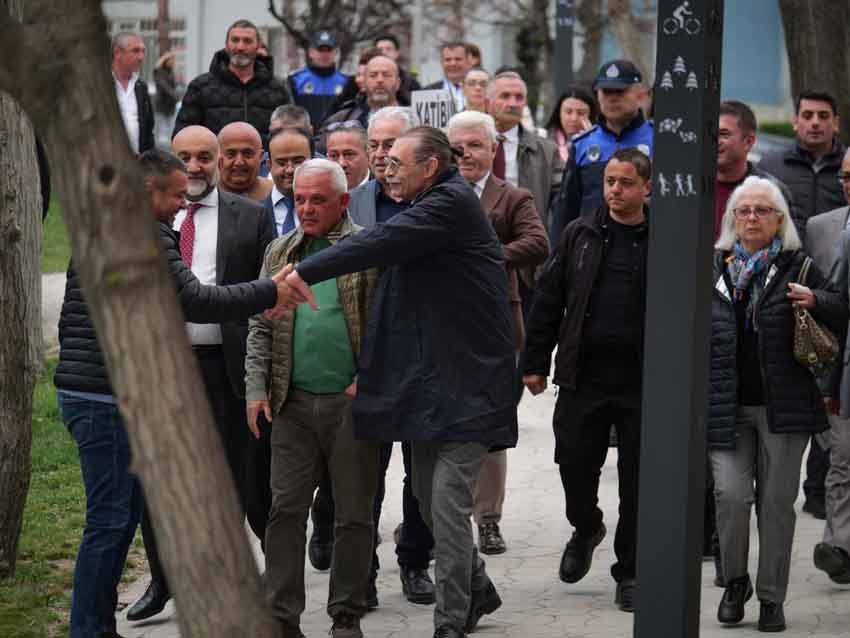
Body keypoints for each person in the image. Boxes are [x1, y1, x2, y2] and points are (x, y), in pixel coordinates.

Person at [281, 126, 516, 638]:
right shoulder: (426, 205)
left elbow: (378, 243)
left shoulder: (449, 203)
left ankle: (449, 622)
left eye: (397, 163)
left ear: (429, 167)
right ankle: (478, 587)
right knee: (430, 504)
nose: (386, 170)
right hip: (430, 386)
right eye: (384, 162)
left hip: (470, 386)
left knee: (447, 506)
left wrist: (305, 271)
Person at [59, 148, 291, 633]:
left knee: (120, 518)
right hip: (105, 399)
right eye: (176, 195)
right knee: (110, 521)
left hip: (103, 394)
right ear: (148, 190)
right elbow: (196, 300)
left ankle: (96, 626)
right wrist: (270, 290)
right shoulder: (139, 232)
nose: (183, 206)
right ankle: (88, 629)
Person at [245, 159, 380, 638]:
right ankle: (282, 617)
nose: (306, 208)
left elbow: (387, 322)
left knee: (354, 514)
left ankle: (346, 614)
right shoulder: (279, 250)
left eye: (318, 200)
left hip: (351, 406)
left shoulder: (368, 248)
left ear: (343, 202)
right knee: (285, 512)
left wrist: (369, 378)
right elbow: (260, 323)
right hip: (292, 402)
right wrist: (256, 388)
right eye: (299, 199)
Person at [313, 107, 438, 608]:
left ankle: (415, 562)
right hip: (365, 359)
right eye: (377, 145)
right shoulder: (355, 203)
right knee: (364, 473)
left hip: (422, 356)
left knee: (420, 470)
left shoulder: (432, 202)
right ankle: (361, 571)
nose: (384, 154)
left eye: (393, 144)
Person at [708, 176, 845, 632]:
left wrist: (816, 300)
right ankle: (735, 582)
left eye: (762, 210)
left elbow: (841, 308)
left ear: (780, 220)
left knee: (776, 504)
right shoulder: (714, 268)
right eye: (743, 210)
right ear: (732, 219)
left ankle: (771, 597)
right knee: (730, 496)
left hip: (783, 410)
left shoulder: (798, 266)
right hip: (726, 406)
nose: (751, 218)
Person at [522, 148, 652, 613]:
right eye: (610, 181)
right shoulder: (581, 233)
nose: (615, 190)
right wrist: (535, 362)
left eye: (626, 182)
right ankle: (586, 526)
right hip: (584, 376)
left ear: (647, 188)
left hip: (642, 383)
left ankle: (630, 572)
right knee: (574, 465)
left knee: (638, 483)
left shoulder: (663, 238)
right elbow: (548, 299)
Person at [447, 110, 549, 555]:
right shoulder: (431, 194)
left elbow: (538, 243)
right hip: (440, 325)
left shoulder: (512, 197)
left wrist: (486, 255)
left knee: (490, 425)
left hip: (494, 327)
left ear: (493, 149)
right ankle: (436, 516)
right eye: (458, 147)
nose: (466, 154)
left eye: (475, 145)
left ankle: (488, 519)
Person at [759, 90, 848, 521]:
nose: (814, 122)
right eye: (807, 115)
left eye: (823, 116)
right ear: (795, 121)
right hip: (792, 294)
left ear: (835, 123)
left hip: (836, 295)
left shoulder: (844, 165)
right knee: (806, 388)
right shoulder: (773, 167)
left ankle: (820, 489)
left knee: (832, 398)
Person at [549, 59, 653, 243]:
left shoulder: (657, 140)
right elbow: (566, 210)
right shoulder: (582, 145)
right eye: (606, 91)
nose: (612, 98)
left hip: (643, 246)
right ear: (597, 95)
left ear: (640, 94)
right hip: (591, 247)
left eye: (620, 91)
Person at [813, 148, 850, 584]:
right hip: (841, 367)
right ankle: (838, 545)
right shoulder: (823, 228)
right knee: (842, 459)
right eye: (845, 177)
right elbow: (835, 304)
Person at [173, 19, 291, 141]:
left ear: (257, 46)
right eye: (235, 40)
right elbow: (182, 135)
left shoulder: (278, 89)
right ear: (226, 45)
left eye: (247, 41)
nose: (240, 47)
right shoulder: (200, 87)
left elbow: (290, 135)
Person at [715, 101, 794, 240]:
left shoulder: (774, 193)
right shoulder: (688, 187)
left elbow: (786, 246)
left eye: (724, 134)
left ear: (748, 142)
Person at [319, 55, 401, 144]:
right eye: (373, 75)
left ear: (398, 83)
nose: (380, 80)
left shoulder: (411, 120)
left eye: (386, 75)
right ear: (364, 83)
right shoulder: (341, 120)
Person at [287, 31, 349, 128]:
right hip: (306, 134)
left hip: (336, 135)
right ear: (311, 52)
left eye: (328, 50)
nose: (324, 54)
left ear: (336, 53)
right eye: (320, 50)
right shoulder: (296, 80)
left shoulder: (346, 82)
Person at [263, 127, 314, 237]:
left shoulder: (331, 210)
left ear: (313, 161)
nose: (290, 170)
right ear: (269, 165)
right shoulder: (253, 214)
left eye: (298, 161)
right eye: (281, 163)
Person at [111, 32, 155, 154]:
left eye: (143, 51)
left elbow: (148, 129)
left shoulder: (141, 87)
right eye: (135, 51)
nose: (141, 57)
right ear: (117, 53)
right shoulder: (103, 85)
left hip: (138, 160)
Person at [217, 121, 273, 201]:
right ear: (217, 157)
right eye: (231, 154)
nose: (239, 162)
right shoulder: (204, 195)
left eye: (247, 154)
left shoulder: (276, 193)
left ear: (260, 157)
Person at [544, 85, 598, 163]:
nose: (574, 118)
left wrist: (591, 143)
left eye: (581, 113)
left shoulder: (600, 143)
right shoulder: (543, 139)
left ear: (590, 115)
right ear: (559, 113)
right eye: (568, 112)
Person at [373, 33, 421, 103]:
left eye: (388, 49)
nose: (384, 52)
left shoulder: (410, 82)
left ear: (396, 53)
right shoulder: (365, 79)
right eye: (380, 50)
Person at [424, 42, 471, 111]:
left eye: (458, 59)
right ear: (441, 62)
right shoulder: (427, 92)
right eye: (448, 60)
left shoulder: (480, 91)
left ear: (468, 62)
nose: (453, 63)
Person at [326, 121, 371, 190]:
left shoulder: (384, 189)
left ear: (368, 155)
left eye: (349, 154)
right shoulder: (320, 190)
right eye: (334, 156)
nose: (341, 163)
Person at [153, 51, 181, 148]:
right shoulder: (159, 72)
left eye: (174, 60)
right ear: (166, 61)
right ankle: (154, 145)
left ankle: (172, 145)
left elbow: (173, 86)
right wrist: (175, 95)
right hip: (161, 103)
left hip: (171, 104)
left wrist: (176, 95)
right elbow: (164, 86)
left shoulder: (171, 72)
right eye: (171, 60)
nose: (173, 62)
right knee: (158, 126)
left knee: (171, 126)